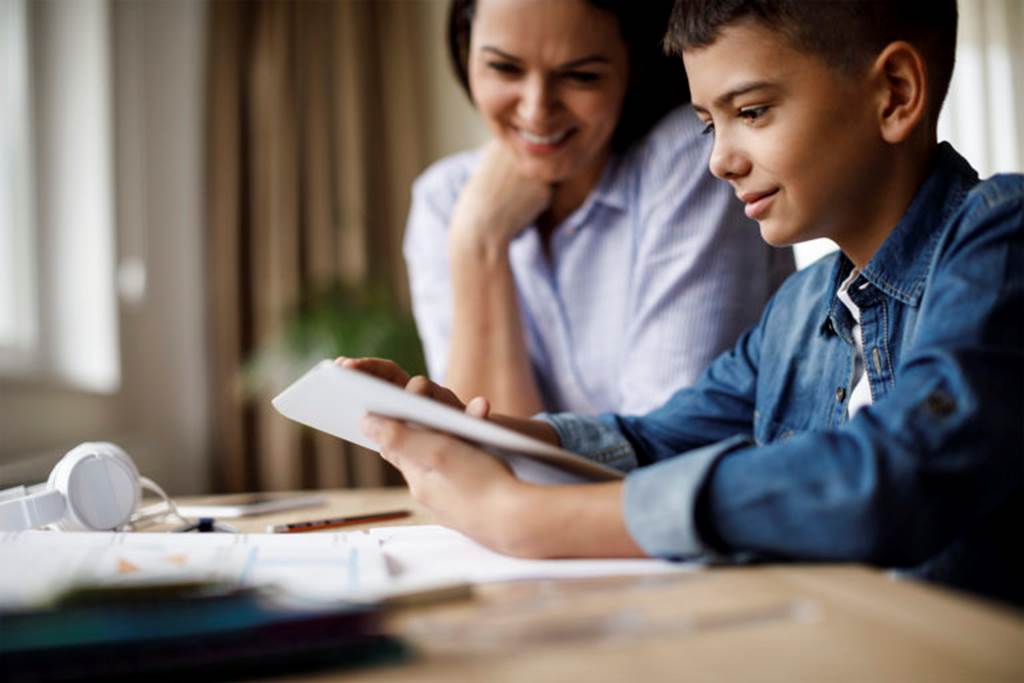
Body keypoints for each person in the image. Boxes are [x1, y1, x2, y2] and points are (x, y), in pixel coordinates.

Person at [348, 0, 1023, 606]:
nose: (719, 160)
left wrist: (521, 517)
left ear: (896, 94)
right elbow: (654, 437)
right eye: (708, 125)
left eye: (751, 112)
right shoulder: (796, 310)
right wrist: (478, 430)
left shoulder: (1001, 234)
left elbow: (900, 473)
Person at [404, 0, 793, 417]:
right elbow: (472, 451)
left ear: (632, 65)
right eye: (504, 68)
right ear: (466, 49)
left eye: (580, 76)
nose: (536, 111)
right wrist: (478, 241)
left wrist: (478, 240)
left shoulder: (690, 155)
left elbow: (660, 448)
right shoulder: (444, 199)